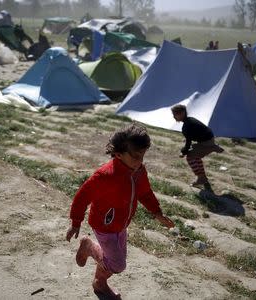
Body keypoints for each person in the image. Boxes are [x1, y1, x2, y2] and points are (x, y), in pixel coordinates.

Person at [66, 123, 175, 299]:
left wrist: (157, 213)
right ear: (118, 154)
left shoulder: (138, 171)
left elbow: (145, 192)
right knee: (117, 265)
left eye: (143, 156)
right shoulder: (104, 176)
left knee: (112, 260)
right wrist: (76, 222)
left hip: (121, 225)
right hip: (104, 225)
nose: (140, 161)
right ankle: (89, 246)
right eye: (135, 156)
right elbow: (82, 197)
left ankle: (99, 283)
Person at [171, 104, 224, 188]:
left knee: (190, 157)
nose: (174, 117)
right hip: (208, 138)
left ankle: (201, 177)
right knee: (195, 156)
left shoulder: (186, 126)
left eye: (175, 114)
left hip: (206, 142)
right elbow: (195, 134)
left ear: (182, 113)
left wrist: (183, 152)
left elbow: (188, 143)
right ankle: (203, 177)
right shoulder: (190, 120)